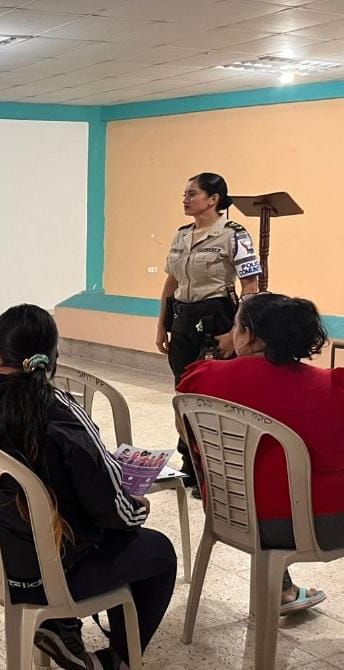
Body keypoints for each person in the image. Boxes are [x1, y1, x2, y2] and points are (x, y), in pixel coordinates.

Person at [0, 305, 175, 670]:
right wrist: (137, 506)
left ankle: (62, 626)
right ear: (52, 358)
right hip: (49, 574)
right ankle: (116, 661)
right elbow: (110, 510)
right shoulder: (59, 412)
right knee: (157, 551)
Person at [178, 292, 342, 615]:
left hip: (230, 514)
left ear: (249, 335)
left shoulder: (204, 379)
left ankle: (283, 589)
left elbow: (189, 434)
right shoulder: (330, 389)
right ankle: (283, 590)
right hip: (321, 526)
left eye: (235, 326)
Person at [156, 173, 260, 493]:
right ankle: (190, 464)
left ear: (213, 199)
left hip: (218, 320)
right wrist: (162, 324)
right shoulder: (181, 235)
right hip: (183, 320)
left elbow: (251, 287)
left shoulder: (234, 234)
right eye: (184, 194)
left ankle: (214, 471)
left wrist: (235, 333)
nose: (185, 199)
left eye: (192, 194)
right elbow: (171, 284)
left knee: (212, 397)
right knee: (184, 393)